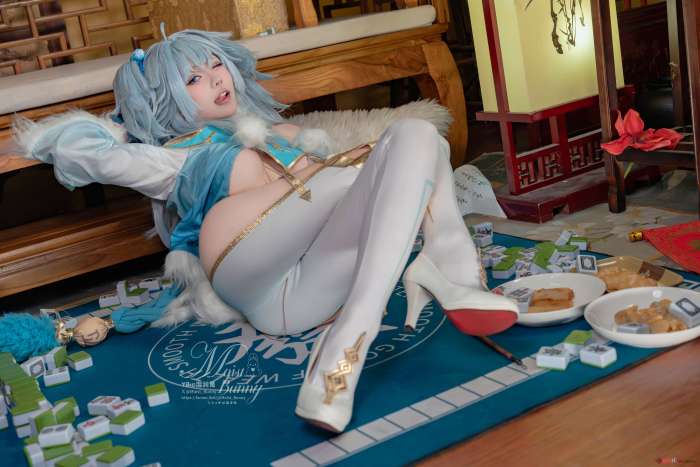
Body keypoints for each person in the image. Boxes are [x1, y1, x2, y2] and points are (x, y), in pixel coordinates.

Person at [14, 28, 519, 433]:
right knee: (371, 167)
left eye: (216, 65)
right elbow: (82, 152)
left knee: (419, 135)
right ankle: (445, 261)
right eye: (192, 78)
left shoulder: (285, 134)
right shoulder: (171, 158)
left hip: (311, 297)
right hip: (248, 274)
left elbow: (382, 176)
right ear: (161, 99)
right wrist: (126, 124)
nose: (216, 79)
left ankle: (358, 324)